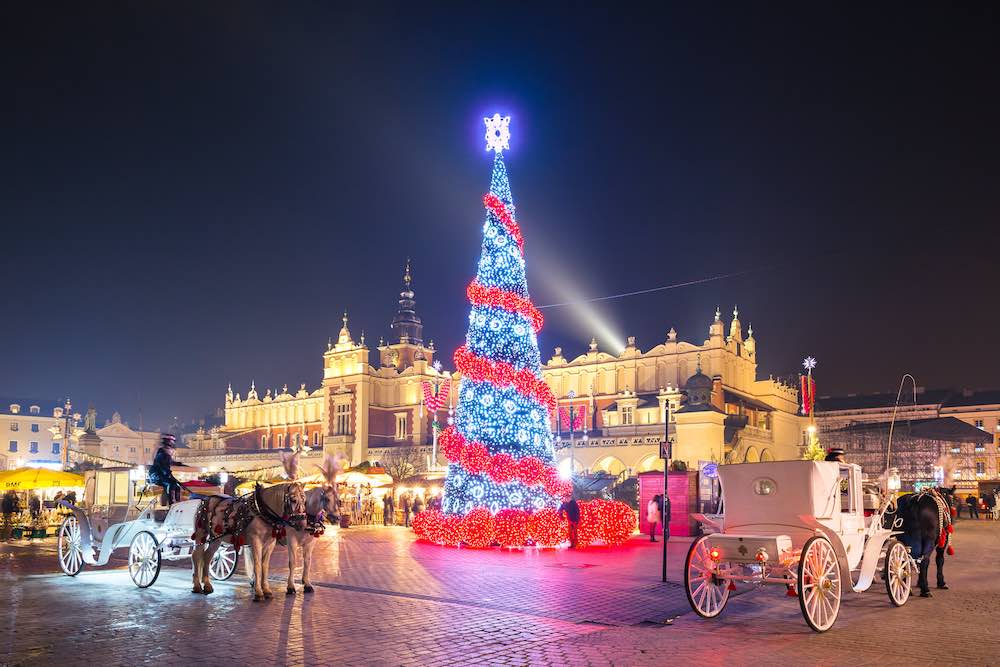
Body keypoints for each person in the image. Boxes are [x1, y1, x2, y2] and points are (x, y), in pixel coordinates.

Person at [147, 434, 185, 505]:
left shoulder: (167, 453)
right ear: (167, 442)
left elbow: (169, 462)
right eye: (172, 441)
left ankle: (178, 502)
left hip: (163, 474)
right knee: (170, 484)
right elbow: (161, 465)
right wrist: (168, 474)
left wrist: (179, 464)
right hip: (156, 475)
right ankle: (171, 502)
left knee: (177, 486)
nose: (173, 443)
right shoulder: (161, 452)